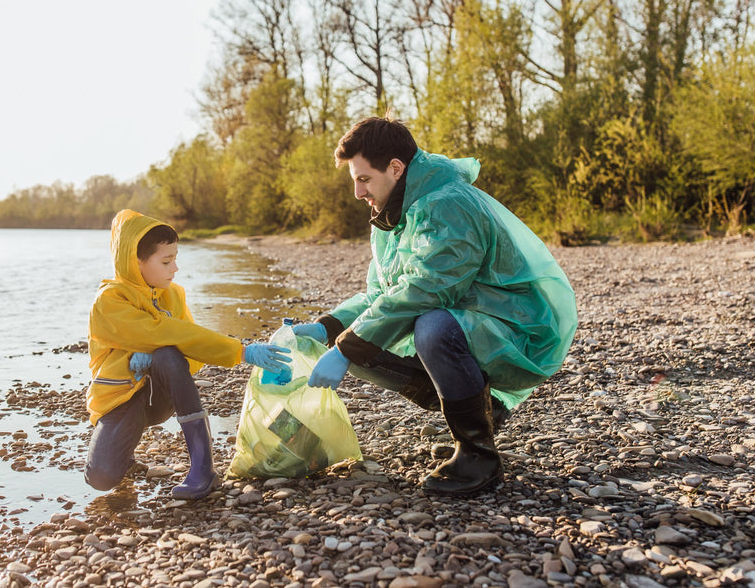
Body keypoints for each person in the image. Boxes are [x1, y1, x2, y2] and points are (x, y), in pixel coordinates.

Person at [296, 116, 577, 496]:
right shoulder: (393, 215)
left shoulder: (449, 204)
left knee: (429, 326)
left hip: (518, 329)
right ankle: (485, 410)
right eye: (355, 181)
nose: (358, 192)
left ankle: (479, 455)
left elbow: (428, 288)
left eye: (364, 179)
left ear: (395, 168)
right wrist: (327, 329)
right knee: (361, 343)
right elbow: (383, 294)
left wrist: (348, 346)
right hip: (472, 322)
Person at [84, 209, 293, 500]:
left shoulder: (173, 295)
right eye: (166, 261)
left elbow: (190, 352)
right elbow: (161, 330)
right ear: (135, 263)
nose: (175, 268)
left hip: (159, 395)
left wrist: (241, 352)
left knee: (168, 354)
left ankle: (203, 470)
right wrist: (240, 350)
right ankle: (124, 456)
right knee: (101, 478)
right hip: (120, 398)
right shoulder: (109, 301)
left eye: (175, 259)